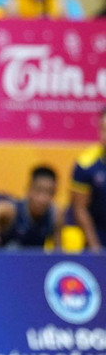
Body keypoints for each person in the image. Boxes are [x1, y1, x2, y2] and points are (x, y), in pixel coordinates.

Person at [0, 165, 62, 250]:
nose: (43, 198)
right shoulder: (9, 211)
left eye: (50, 192)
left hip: (33, 258)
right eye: (39, 190)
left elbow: (58, 253)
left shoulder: (55, 216)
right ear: (29, 189)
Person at [70, 107, 106, 252]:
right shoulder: (85, 164)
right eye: (103, 130)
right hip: (97, 234)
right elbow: (80, 208)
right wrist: (95, 248)